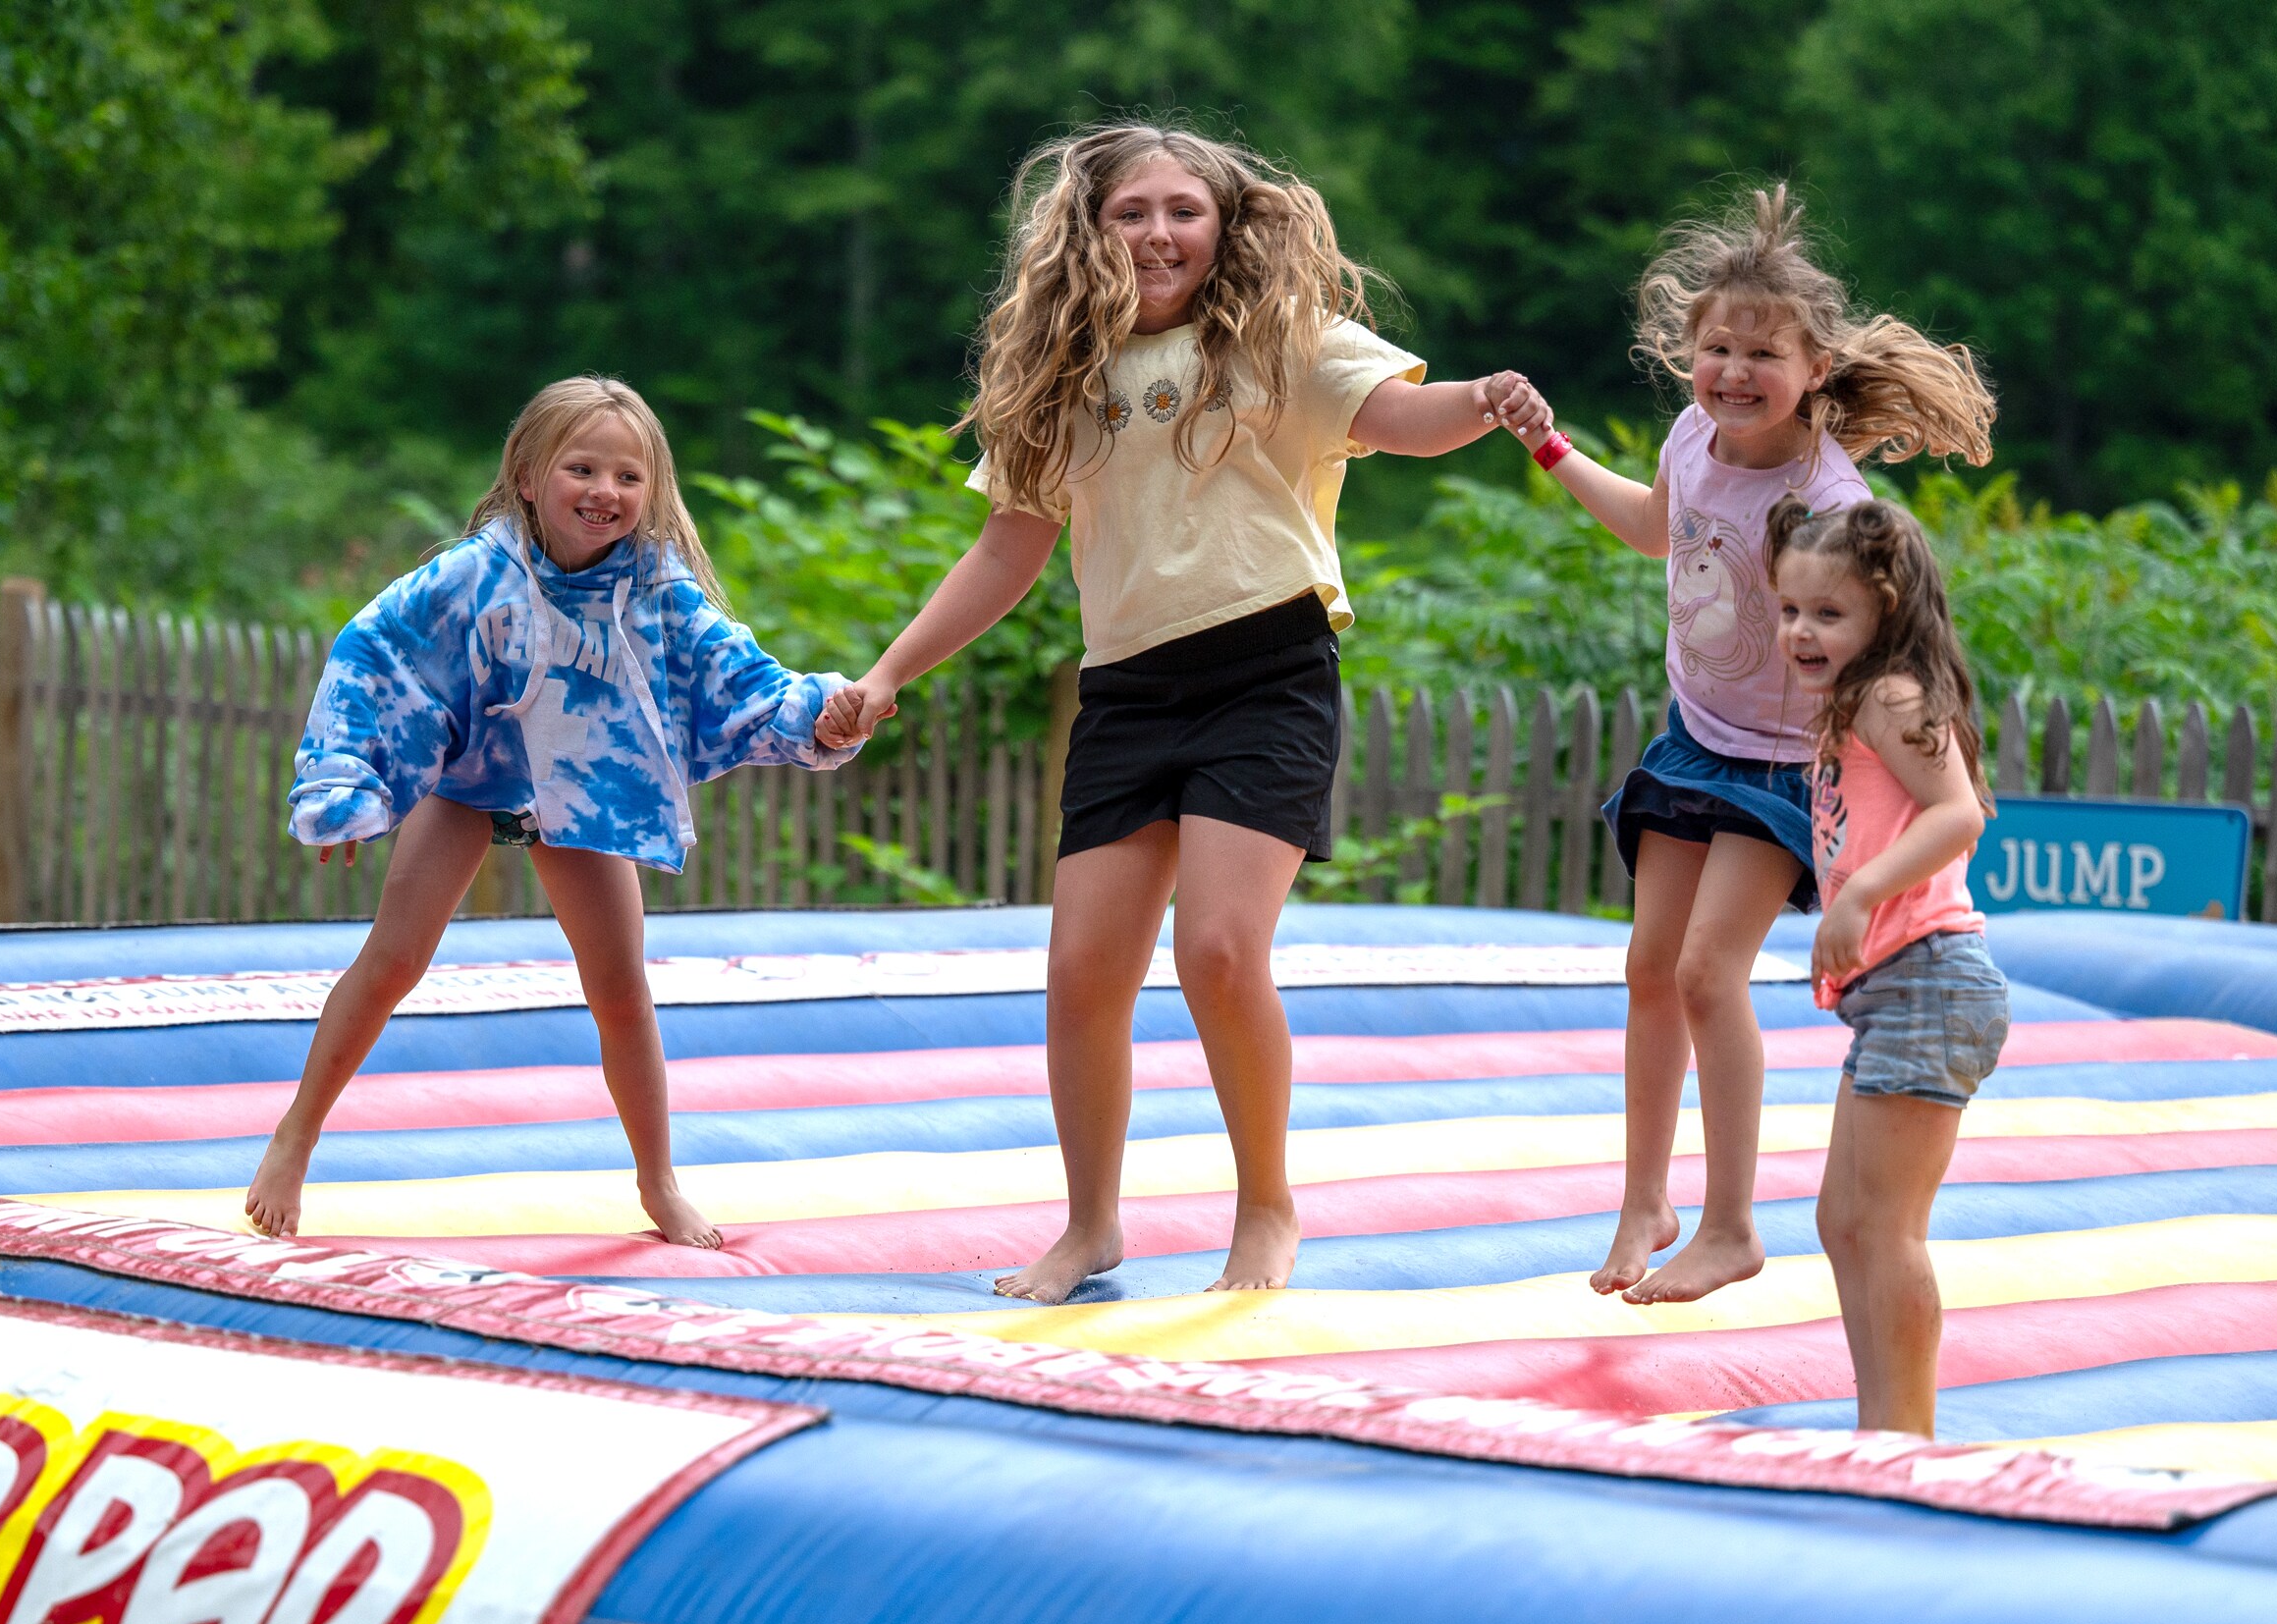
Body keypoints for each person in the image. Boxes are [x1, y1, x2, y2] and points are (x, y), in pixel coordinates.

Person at [814, 123, 1537, 1303]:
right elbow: (1006, 549)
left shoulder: (1281, 341)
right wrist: (891, 671)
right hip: (1129, 689)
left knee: (1216, 949)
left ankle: (1266, 1210)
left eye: (1183, 210)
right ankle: (1090, 1225)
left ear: (1225, 224)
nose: (1158, 233)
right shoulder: (1063, 375)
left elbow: (1404, 422)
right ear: (1089, 231)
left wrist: (1485, 399)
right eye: (1132, 212)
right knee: (1081, 971)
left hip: (1267, 671)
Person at [1501, 185, 1995, 1303]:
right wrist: (1550, 448)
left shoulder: (1824, 494)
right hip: (1695, 735)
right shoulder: (1692, 437)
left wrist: (1892, 742)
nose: (1733, 370)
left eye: (1763, 353)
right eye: (1716, 347)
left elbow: (1871, 625)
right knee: (1649, 970)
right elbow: (1655, 529)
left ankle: (1729, 1224)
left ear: (1815, 368)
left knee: (1704, 971)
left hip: (1776, 761)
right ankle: (1646, 1199)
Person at [245, 375, 856, 1247]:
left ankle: (658, 1181)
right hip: (471, 775)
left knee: (621, 990)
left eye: (628, 477)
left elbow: (737, 673)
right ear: (529, 477)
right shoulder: (474, 575)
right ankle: (294, 1137)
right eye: (583, 469)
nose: (606, 491)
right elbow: (375, 653)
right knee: (394, 960)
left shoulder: (655, 588)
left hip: (579, 782)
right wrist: (346, 779)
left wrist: (818, 711)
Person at [1770, 496, 2009, 1435]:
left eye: (1829, 613)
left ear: (1887, 606)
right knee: (1844, 1220)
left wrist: (1861, 894)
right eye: (1791, 609)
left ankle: (1905, 1435)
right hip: (1898, 990)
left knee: (1888, 1226)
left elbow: (1960, 813)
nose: (1802, 631)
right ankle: (1881, 1424)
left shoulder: (1891, 695)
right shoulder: (1854, 704)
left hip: (1931, 977)